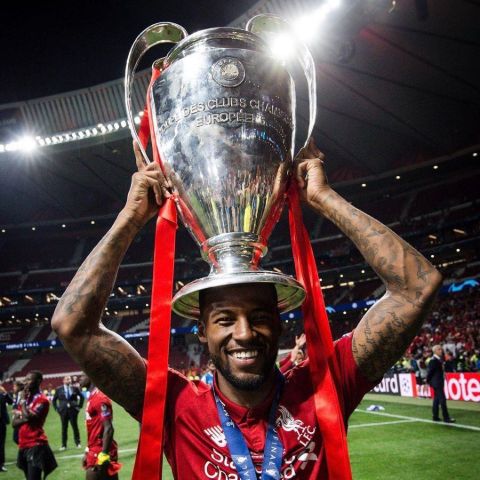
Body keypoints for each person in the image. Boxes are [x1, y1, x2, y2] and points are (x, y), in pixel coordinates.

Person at [52, 139, 442, 478]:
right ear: (202, 330)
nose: (243, 333)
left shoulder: (325, 387)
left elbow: (417, 288)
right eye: (225, 319)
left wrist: (324, 199)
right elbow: (73, 326)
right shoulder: (174, 405)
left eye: (259, 317)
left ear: (280, 322)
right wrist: (131, 217)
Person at [12, 371, 57, 479]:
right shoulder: (27, 399)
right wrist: (25, 415)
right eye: (25, 379)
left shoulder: (42, 400)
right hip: (23, 444)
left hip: (36, 444)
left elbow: (26, 417)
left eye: (28, 379)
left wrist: (23, 412)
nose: (25, 382)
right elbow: (14, 423)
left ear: (38, 381)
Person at [80, 374, 121, 480]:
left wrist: (104, 454)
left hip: (100, 451)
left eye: (82, 375)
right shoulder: (92, 397)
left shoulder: (100, 398)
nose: (79, 378)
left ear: (91, 377)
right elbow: (93, 428)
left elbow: (109, 428)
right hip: (93, 449)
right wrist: (87, 450)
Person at [52, 375, 84, 450]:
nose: (68, 380)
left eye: (69, 379)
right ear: (63, 381)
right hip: (63, 411)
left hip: (73, 410)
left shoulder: (75, 388)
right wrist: (56, 409)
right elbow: (54, 400)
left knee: (75, 427)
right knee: (64, 428)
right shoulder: (59, 389)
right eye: (67, 379)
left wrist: (79, 407)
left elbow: (82, 397)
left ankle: (78, 443)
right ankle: (64, 445)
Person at [426, 345, 455, 423]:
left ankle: (435, 416)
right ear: (435, 351)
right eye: (439, 349)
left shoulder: (438, 359)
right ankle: (446, 418)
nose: (441, 351)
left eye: (441, 349)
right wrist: (427, 382)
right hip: (437, 383)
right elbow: (430, 372)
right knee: (442, 400)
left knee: (436, 399)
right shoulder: (433, 360)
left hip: (438, 382)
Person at [0, 383, 13, 472]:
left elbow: (11, 402)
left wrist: (5, 392)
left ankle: (1, 464)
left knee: (1, 444)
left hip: (1, 422)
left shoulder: (2, 395)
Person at [12, 380, 24, 445]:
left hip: (22, 419)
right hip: (17, 419)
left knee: (16, 438)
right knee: (16, 438)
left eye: (14, 386)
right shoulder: (17, 395)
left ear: (19, 387)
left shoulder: (23, 394)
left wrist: (18, 411)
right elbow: (15, 405)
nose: (13, 388)